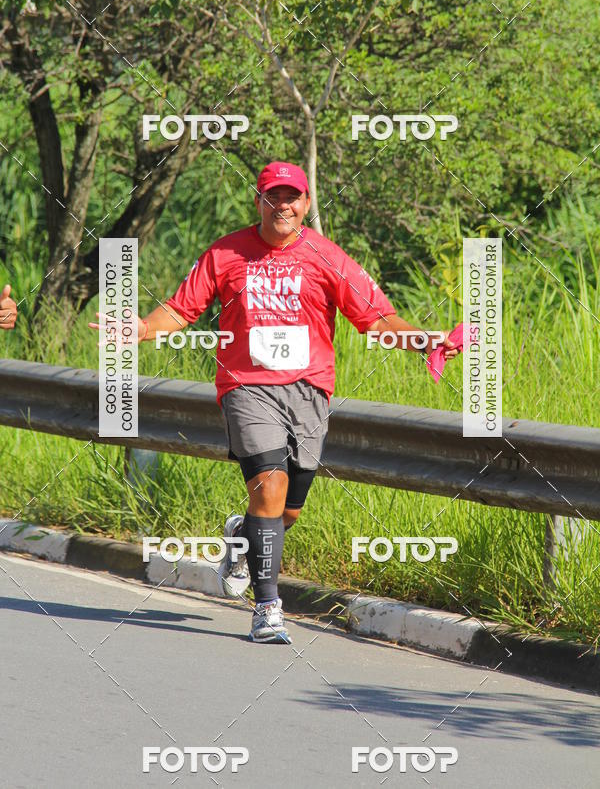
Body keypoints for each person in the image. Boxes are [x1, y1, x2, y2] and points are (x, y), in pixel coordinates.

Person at [91, 161, 459, 643]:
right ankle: (267, 607)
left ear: (306, 203)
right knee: (268, 489)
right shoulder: (226, 253)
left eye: (292, 197)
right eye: (273, 197)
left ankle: (241, 537)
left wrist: (425, 340)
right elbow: (182, 309)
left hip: (309, 390)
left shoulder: (326, 256)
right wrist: (142, 329)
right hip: (246, 386)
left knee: (288, 511)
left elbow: (376, 319)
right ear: (259, 201)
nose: (282, 206)